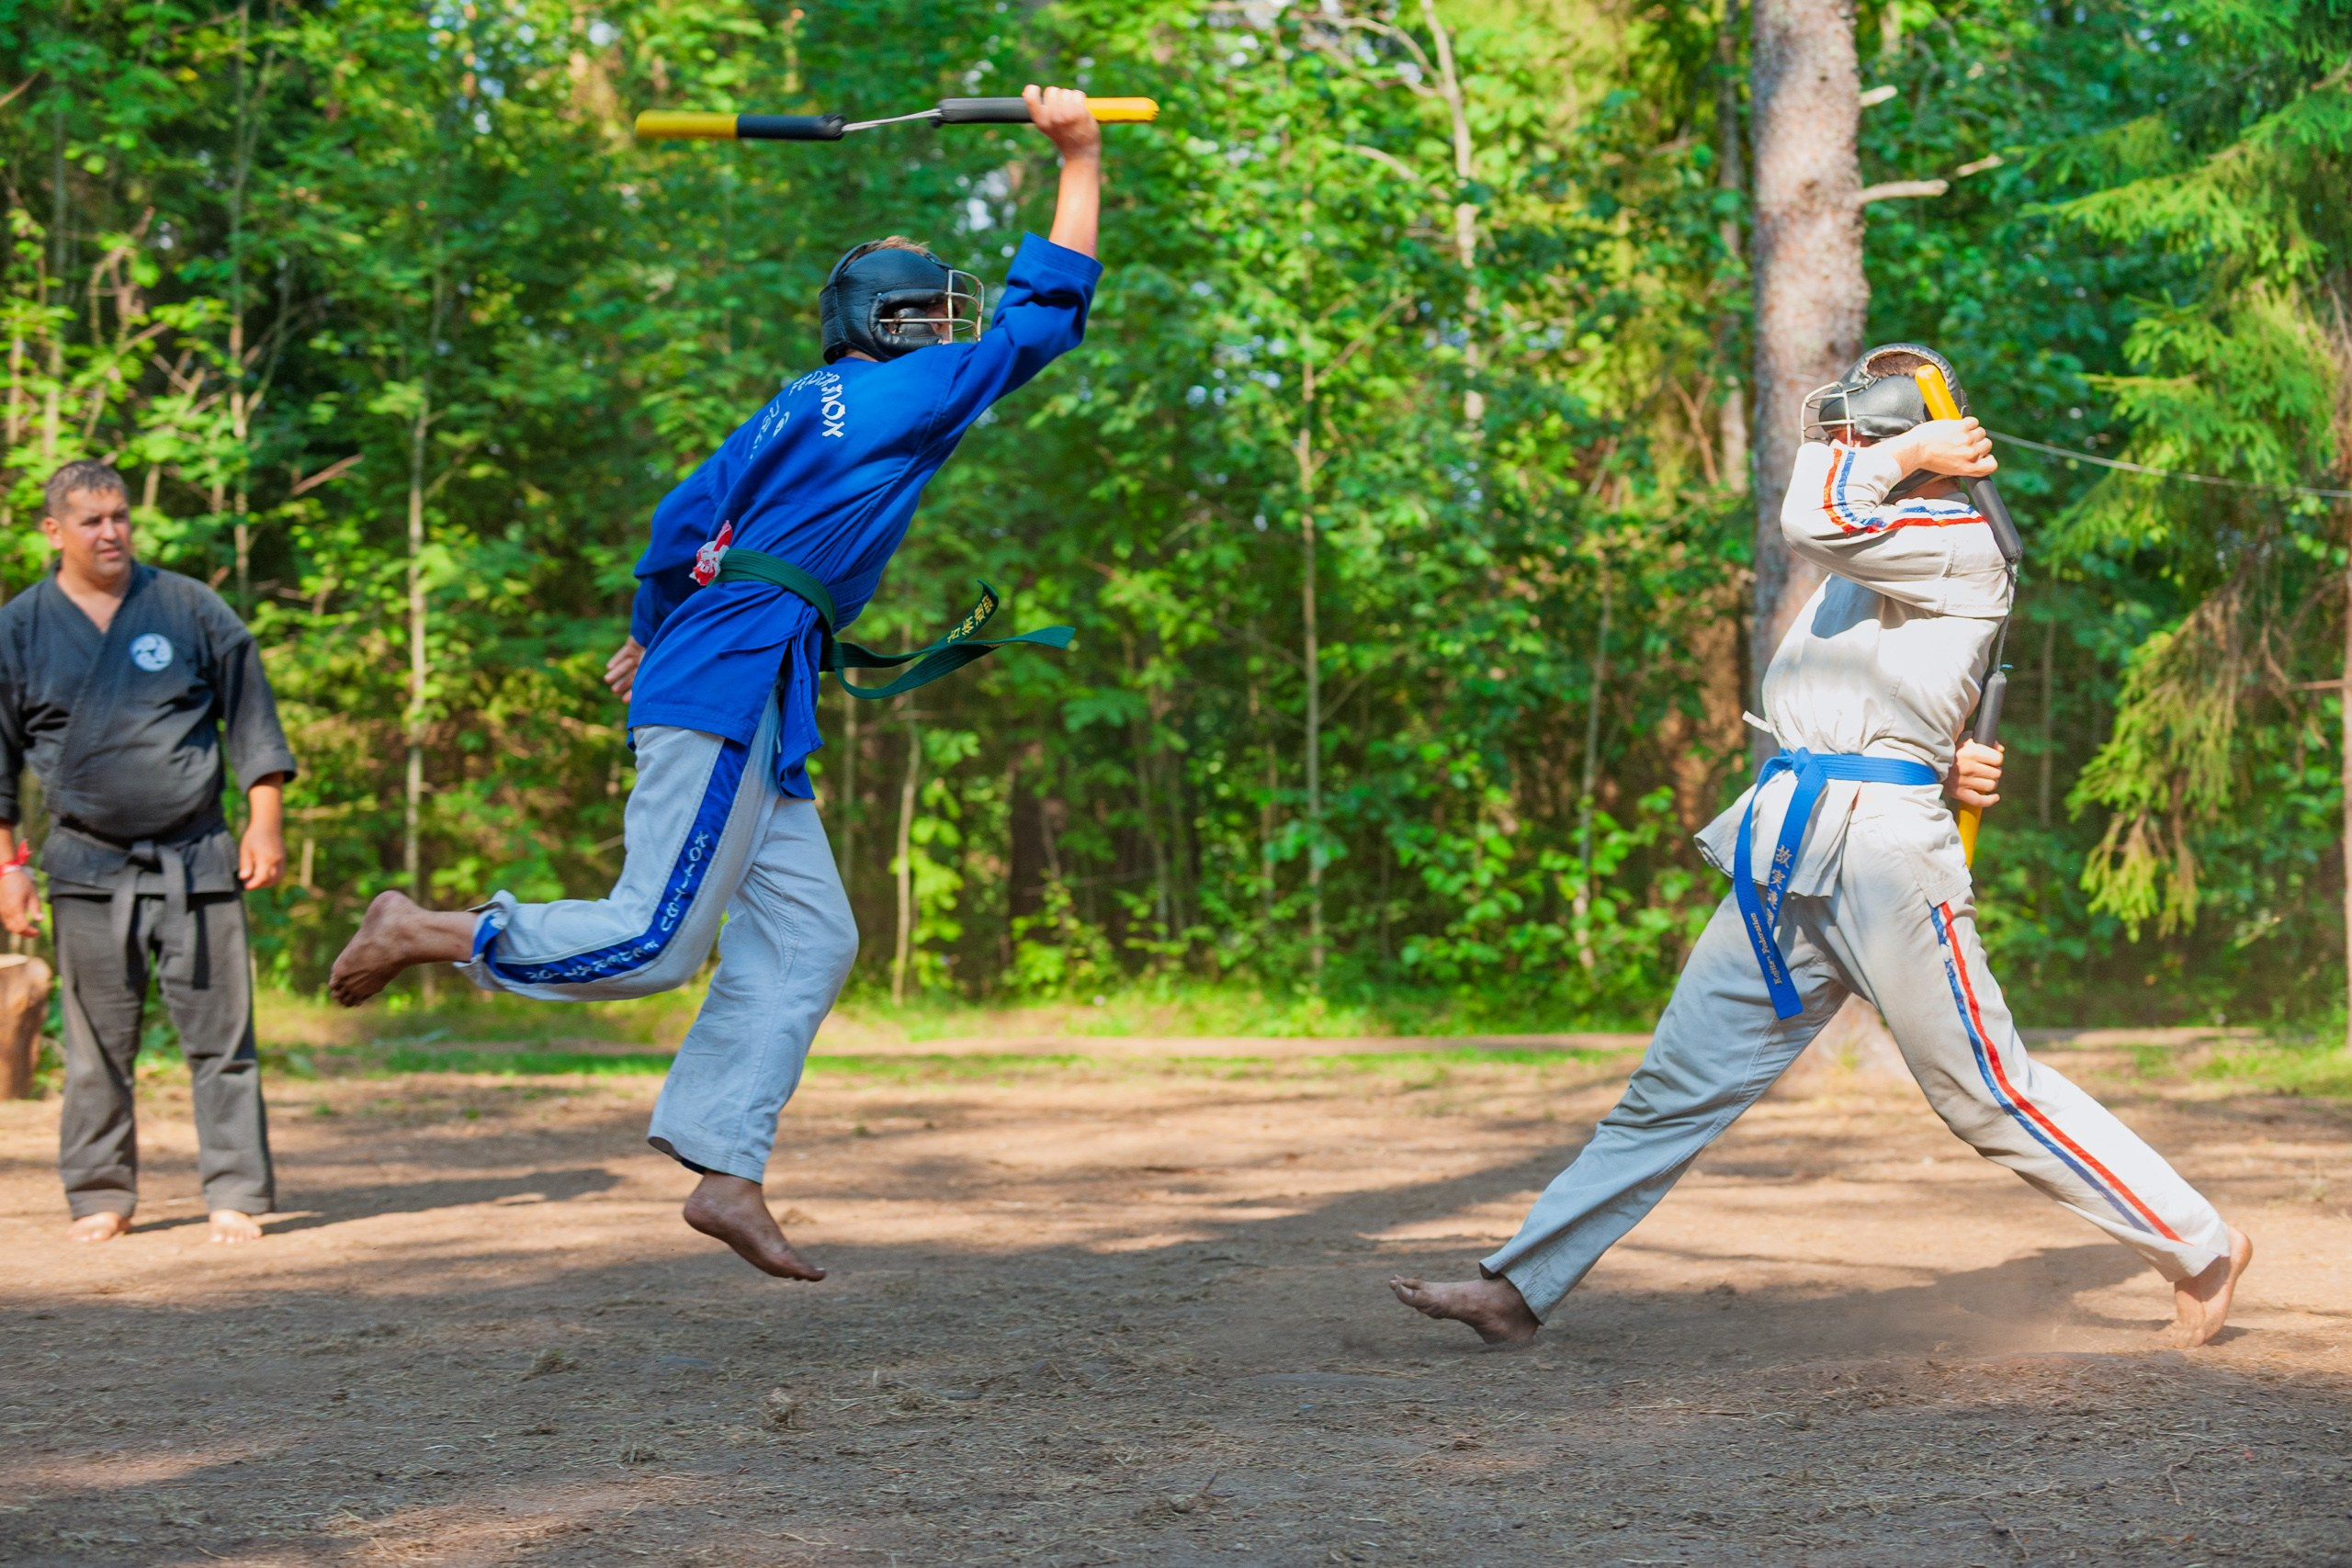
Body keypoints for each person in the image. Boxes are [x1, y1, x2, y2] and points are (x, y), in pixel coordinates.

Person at [324, 84, 1106, 1279]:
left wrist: (654, 625)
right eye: (941, 313)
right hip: (735, 669)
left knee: (809, 940)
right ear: (895, 325)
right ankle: (428, 927)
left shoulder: (790, 404)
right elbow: (1045, 318)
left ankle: (726, 1166)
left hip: (731, 659)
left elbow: (675, 523)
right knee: (653, 940)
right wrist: (1078, 155)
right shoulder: (909, 391)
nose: (960, 331)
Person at [1392, 345, 2253, 1349]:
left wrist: (1905, 453)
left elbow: (1811, 519)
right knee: (1673, 1085)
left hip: (1885, 862)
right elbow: (1873, 702)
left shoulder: (1958, 536)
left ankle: (2199, 1244)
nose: (1840, 456)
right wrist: (1947, 759)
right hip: (1787, 848)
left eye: (1856, 442)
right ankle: (1517, 1287)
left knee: (1983, 1091)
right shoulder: (1873, 549)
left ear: (1912, 452)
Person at [0, 460, 297, 1245]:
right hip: (86, 863)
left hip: (198, 853)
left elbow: (251, 715)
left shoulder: (186, 605)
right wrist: (9, 869)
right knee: (96, 1042)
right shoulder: (21, 627)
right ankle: (100, 1190)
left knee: (222, 1036)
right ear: (53, 530)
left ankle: (236, 1188)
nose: (111, 532)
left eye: (120, 516)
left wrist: (263, 820)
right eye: (92, 520)